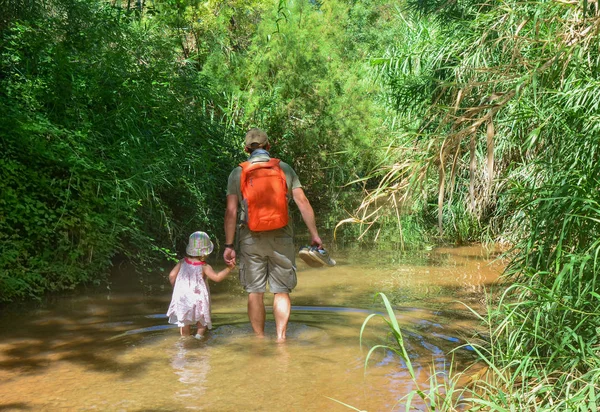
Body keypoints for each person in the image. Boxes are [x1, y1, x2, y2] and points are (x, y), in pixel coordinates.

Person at [223, 128, 323, 342]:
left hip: (250, 237)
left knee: (255, 292)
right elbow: (302, 202)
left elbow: (231, 211)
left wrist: (229, 244)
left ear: (246, 149)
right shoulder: (284, 169)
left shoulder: (238, 173)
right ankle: (281, 338)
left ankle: (259, 340)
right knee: (281, 291)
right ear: (269, 147)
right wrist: (314, 234)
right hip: (282, 236)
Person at [167, 231, 235, 338]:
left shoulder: (182, 262)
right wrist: (229, 268)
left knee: (184, 322)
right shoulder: (204, 266)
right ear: (205, 252)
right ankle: (198, 338)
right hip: (198, 298)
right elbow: (217, 278)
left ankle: (185, 339)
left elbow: (171, 276)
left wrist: (177, 289)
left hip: (183, 298)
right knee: (202, 321)